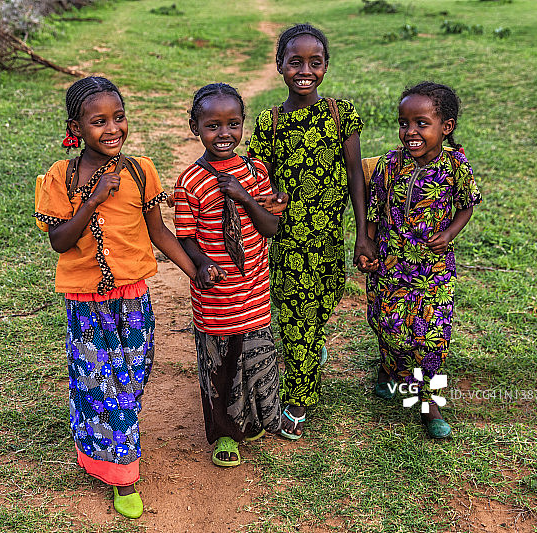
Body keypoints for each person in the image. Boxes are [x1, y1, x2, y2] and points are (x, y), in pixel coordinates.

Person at [33, 76, 197, 518]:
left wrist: (195, 270)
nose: (112, 129)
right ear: (77, 128)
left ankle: (101, 441)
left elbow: (158, 231)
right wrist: (91, 200)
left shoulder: (140, 172)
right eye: (99, 121)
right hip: (86, 303)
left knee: (132, 378)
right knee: (103, 385)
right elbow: (60, 241)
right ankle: (122, 473)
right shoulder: (59, 178)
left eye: (119, 118)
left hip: (133, 299)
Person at [247, 24, 376, 440]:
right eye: (295, 62)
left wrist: (362, 233)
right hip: (288, 243)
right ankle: (299, 400)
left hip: (329, 241)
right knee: (297, 322)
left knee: (321, 307)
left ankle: (310, 350)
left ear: (326, 67)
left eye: (315, 63)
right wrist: (268, 198)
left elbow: (356, 174)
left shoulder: (341, 114)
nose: (305, 70)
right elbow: (257, 177)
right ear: (280, 65)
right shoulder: (270, 122)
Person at [359, 81, 481, 439]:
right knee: (391, 327)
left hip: (435, 268)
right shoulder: (388, 164)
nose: (410, 131)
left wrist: (450, 234)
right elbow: (373, 209)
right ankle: (387, 369)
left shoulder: (456, 164)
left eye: (420, 123)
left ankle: (429, 402)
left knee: (432, 338)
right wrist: (365, 242)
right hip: (390, 265)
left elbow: (467, 203)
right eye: (403, 123)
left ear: (447, 127)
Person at [174, 83, 283, 467]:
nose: (224, 134)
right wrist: (201, 263)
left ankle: (252, 418)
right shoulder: (190, 182)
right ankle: (224, 434)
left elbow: (270, 227)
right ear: (195, 127)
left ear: (243, 125)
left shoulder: (256, 172)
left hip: (254, 286)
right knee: (220, 365)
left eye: (233, 124)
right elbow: (186, 237)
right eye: (213, 126)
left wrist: (244, 196)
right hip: (216, 295)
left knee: (256, 357)